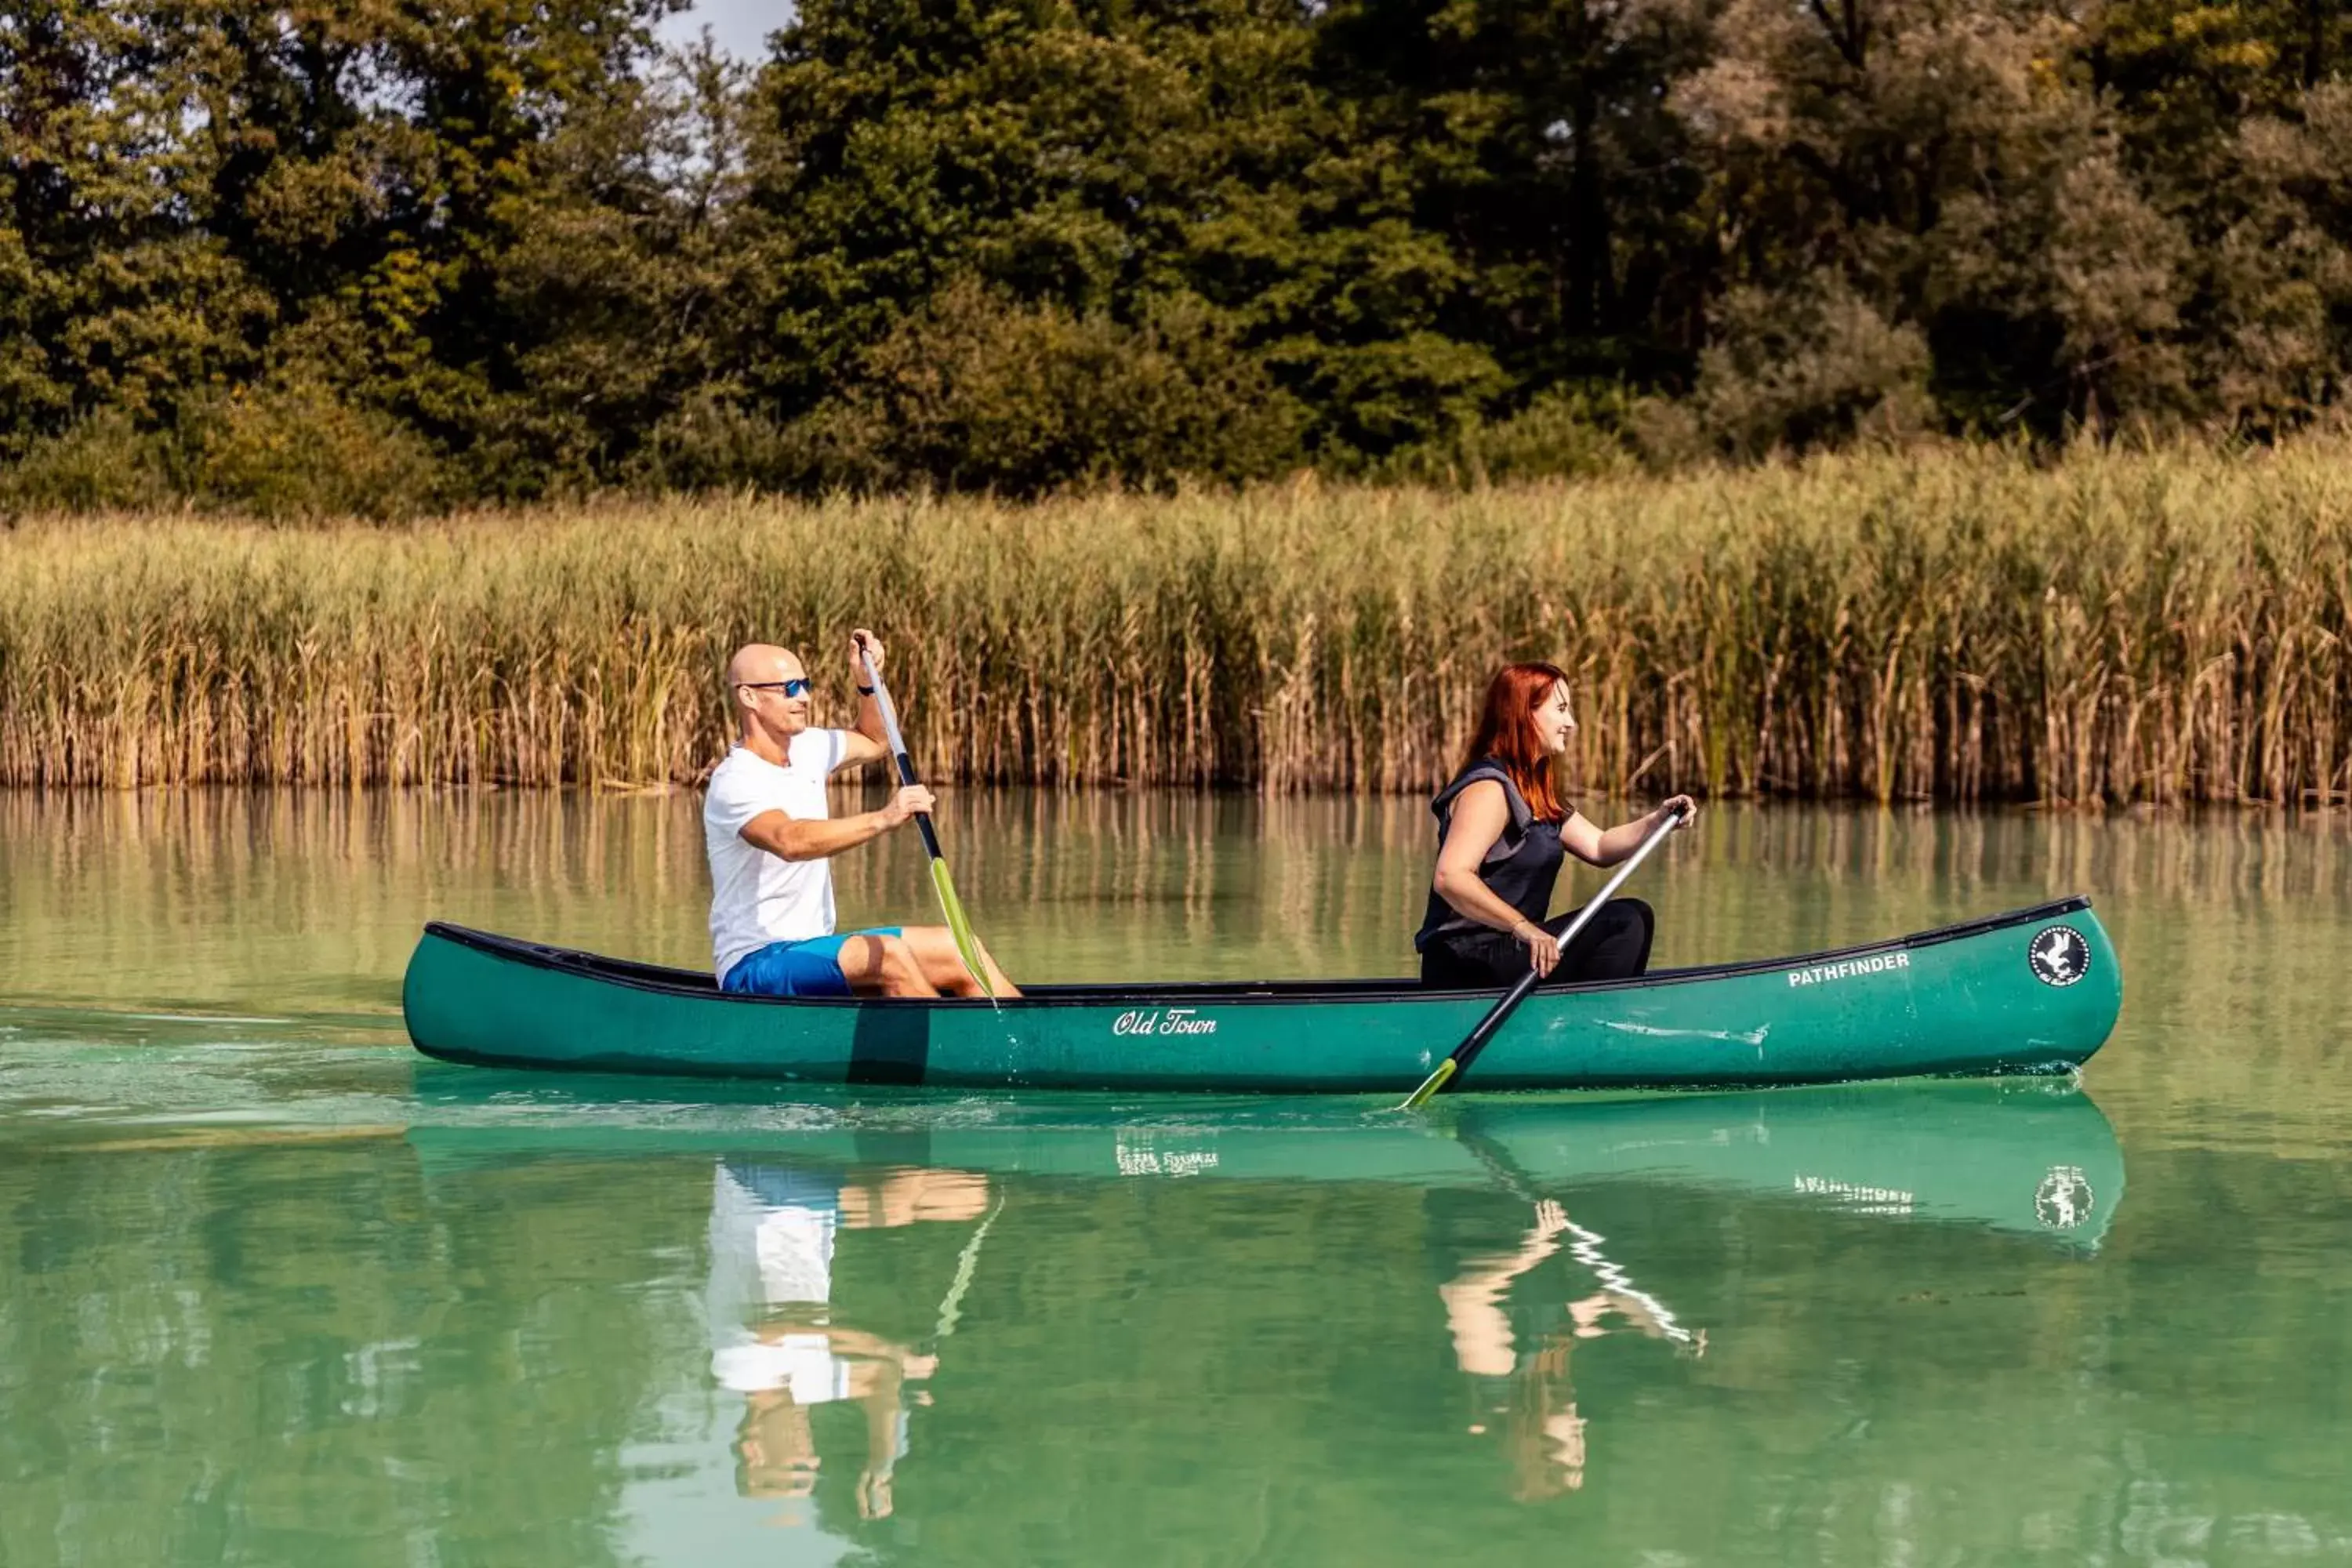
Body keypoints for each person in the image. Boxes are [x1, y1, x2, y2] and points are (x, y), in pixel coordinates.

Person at [705, 631, 1018, 998]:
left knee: (960, 948)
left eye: (804, 685)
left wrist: (869, 685)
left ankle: (1026, 1044)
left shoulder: (810, 747)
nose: (804, 697)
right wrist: (883, 818)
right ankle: (949, 1053)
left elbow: (876, 740)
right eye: (788, 688)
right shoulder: (735, 780)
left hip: (813, 947)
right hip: (755, 964)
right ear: (749, 696)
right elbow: (789, 840)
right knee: (890, 956)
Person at [1415, 662, 1695, 989]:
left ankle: (1586, 1018)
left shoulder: (1534, 791)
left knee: (1637, 917)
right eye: (1561, 710)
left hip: (1508, 954)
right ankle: (1593, 1027)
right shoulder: (1489, 789)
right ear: (1524, 713)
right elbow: (1451, 876)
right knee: (1624, 922)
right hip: (1465, 963)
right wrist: (1523, 927)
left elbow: (1600, 846)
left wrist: (1659, 819)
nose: (1571, 723)